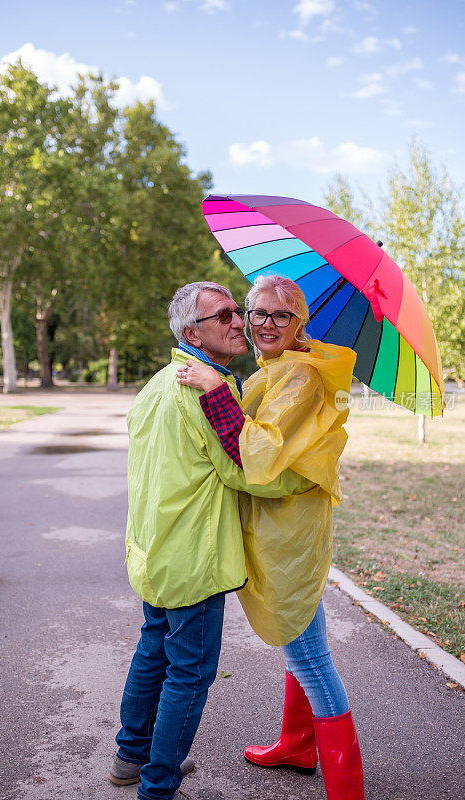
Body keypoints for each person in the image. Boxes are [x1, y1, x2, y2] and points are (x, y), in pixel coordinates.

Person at [109, 281, 314, 800]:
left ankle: (130, 756)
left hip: (154, 553)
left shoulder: (157, 383)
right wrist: (310, 478)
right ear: (190, 333)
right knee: (190, 672)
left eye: (235, 312)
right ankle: (158, 784)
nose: (239, 322)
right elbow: (248, 469)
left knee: (153, 650)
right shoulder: (203, 391)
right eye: (224, 314)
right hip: (193, 558)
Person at [177, 274, 365, 800]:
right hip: (279, 525)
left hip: (288, 531)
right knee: (300, 638)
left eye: (280, 315)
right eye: (255, 311)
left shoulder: (300, 376)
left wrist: (217, 392)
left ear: (299, 322)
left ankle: (347, 786)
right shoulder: (279, 368)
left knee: (309, 655)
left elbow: (257, 456)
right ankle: (298, 744)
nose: (263, 324)